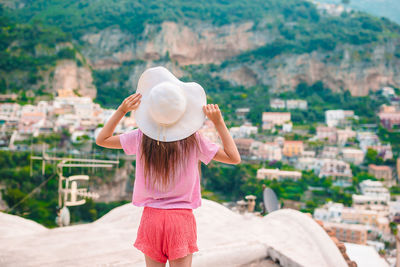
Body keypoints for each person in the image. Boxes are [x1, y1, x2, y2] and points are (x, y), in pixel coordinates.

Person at [96, 66, 240, 267]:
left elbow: (102, 139)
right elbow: (234, 157)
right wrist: (219, 122)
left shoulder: (140, 138)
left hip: (151, 219)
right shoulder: (194, 141)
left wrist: (122, 110)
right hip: (181, 220)